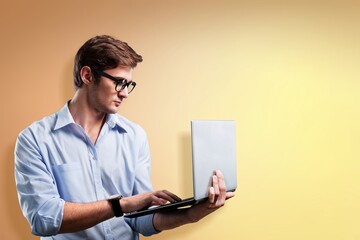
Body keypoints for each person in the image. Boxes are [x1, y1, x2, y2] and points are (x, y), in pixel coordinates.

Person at [14, 35, 235, 240]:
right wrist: (120, 205)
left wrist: (192, 214)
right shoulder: (34, 139)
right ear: (87, 75)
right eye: (119, 82)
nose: (125, 93)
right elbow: (43, 218)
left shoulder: (134, 136)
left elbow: (141, 219)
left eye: (129, 85)